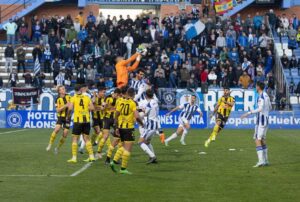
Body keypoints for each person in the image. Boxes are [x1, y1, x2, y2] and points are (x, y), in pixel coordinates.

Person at [110, 88, 144, 175]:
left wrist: (116, 126)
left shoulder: (121, 101)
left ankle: (114, 161)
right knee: (128, 149)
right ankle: (123, 168)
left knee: (123, 146)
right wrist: (142, 123)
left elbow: (116, 114)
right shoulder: (133, 103)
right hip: (129, 128)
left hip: (121, 127)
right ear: (133, 94)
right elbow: (136, 116)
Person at [241, 81, 272, 167]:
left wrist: (248, 113)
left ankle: (261, 161)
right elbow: (270, 107)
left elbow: (260, 109)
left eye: (256, 86)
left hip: (261, 121)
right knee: (262, 140)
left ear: (258, 87)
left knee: (257, 139)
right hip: (266, 120)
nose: (255, 87)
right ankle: (265, 161)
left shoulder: (261, 97)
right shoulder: (266, 95)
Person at [67, 84, 95, 163]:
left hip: (78, 121)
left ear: (74, 91)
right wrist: (85, 108)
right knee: (86, 138)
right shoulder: (87, 97)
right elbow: (92, 108)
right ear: (81, 90)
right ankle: (91, 156)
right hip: (86, 121)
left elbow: (70, 108)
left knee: (75, 139)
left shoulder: (73, 98)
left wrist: (68, 116)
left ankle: (74, 157)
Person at [96, 88, 121, 159]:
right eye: (118, 95)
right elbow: (102, 108)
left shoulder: (119, 99)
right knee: (105, 136)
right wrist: (104, 106)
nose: (118, 96)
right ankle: (98, 152)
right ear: (115, 93)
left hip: (115, 120)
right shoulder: (107, 98)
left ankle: (119, 154)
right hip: (107, 119)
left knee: (118, 137)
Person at [46, 85, 71, 153]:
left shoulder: (69, 97)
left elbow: (71, 106)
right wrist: (66, 105)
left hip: (68, 117)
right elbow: (58, 110)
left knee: (65, 134)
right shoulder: (57, 99)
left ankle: (57, 148)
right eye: (62, 89)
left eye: (64, 88)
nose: (64, 89)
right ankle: (50, 144)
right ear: (59, 91)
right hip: (60, 117)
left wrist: (69, 109)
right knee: (57, 129)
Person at [138, 89, 160, 164]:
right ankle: (152, 157)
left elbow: (144, 114)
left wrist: (140, 111)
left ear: (146, 95)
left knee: (140, 142)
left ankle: (153, 156)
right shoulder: (156, 102)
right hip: (155, 124)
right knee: (147, 142)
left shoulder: (149, 104)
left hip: (150, 125)